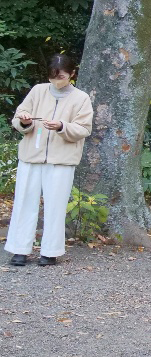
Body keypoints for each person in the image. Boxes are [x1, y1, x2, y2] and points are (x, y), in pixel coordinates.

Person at [5, 54, 93, 266]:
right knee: (24, 202)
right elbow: (19, 117)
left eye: (61, 77)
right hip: (31, 156)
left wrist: (62, 126)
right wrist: (25, 122)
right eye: (53, 77)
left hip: (61, 160)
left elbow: (84, 128)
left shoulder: (81, 98)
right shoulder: (37, 91)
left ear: (72, 74)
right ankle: (19, 249)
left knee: (55, 205)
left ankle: (50, 251)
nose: (56, 81)